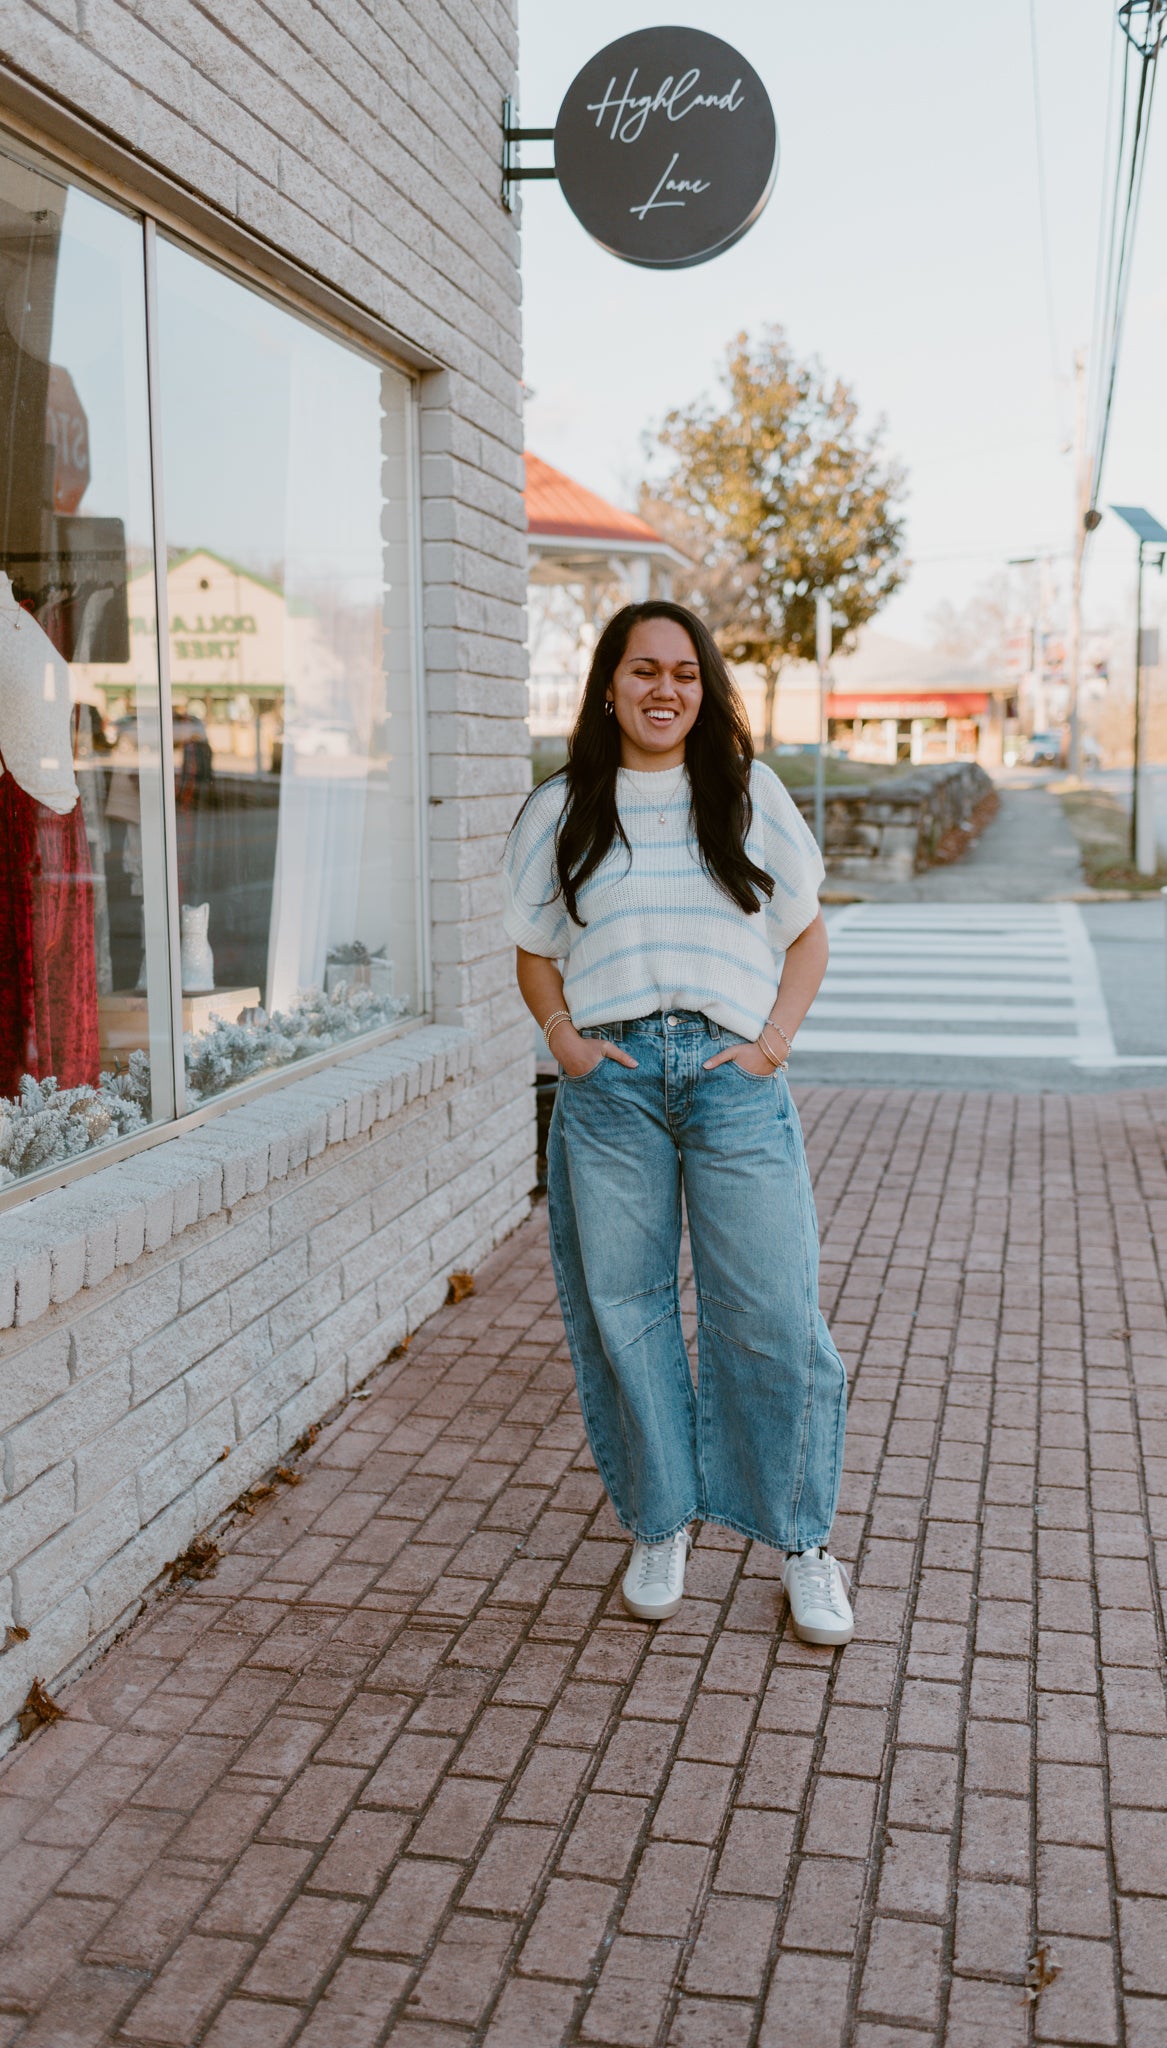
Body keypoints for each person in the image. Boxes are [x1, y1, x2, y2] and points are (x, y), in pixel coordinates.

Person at [503, 601, 853, 1646]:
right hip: (609, 1085)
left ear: (705, 691)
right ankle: (662, 1521)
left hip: (730, 1077)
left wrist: (772, 1043)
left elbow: (807, 940)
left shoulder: (746, 796)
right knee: (628, 1306)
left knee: (774, 1311)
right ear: (608, 683)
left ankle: (803, 1540)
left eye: (686, 674)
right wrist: (564, 1038)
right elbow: (534, 944)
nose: (666, 689)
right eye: (644, 669)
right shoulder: (564, 806)